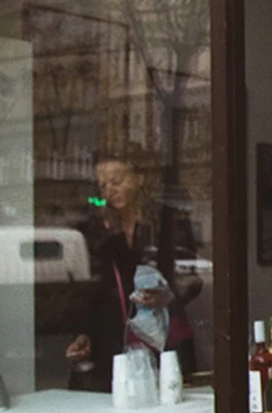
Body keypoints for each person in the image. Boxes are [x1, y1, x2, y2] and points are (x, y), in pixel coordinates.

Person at [65, 148, 200, 392]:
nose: (110, 190)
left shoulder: (166, 222)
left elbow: (190, 275)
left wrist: (168, 296)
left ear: (139, 178)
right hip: (115, 343)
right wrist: (84, 334)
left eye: (117, 181)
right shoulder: (100, 228)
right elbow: (95, 291)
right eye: (103, 185)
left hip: (162, 337)